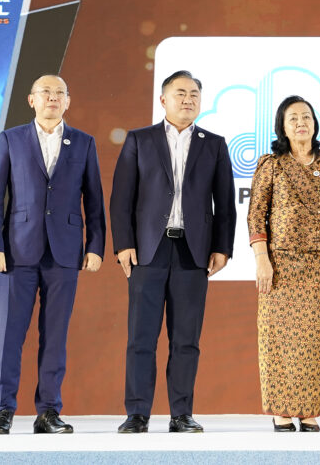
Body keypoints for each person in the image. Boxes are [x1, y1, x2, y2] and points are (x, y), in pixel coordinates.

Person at [110, 69, 236, 434]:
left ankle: (182, 413)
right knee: (141, 338)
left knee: (186, 340)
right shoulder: (139, 139)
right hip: (148, 250)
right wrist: (123, 244)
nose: (188, 99)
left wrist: (222, 248)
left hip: (192, 253)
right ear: (163, 100)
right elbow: (121, 198)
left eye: (194, 94)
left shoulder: (214, 144)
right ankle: (137, 413)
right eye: (180, 93)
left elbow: (225, 203)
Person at [0, 74, 105, 435]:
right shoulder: (11, 139)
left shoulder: (84, 142)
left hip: (64, 253)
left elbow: (94, 200)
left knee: (55, 335)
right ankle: (2, 410)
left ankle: (48, 411)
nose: (52, 98)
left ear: (68, 101)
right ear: (31, 99)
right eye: (45, 92)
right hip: (16, 252)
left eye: (59, 93)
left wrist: (95, 247)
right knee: (9, 336)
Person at [247, 95, 320, 432]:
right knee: (277, 338)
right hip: (278, 265)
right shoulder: (270, 165)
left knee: (314, 340)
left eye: (306, 116)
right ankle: (281, 409)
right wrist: (262, 259)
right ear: (282, 126)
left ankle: (308, 409)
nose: (300, 123)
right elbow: (256, 215)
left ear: (315, 123)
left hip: (319, 266)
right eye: (292, 118)